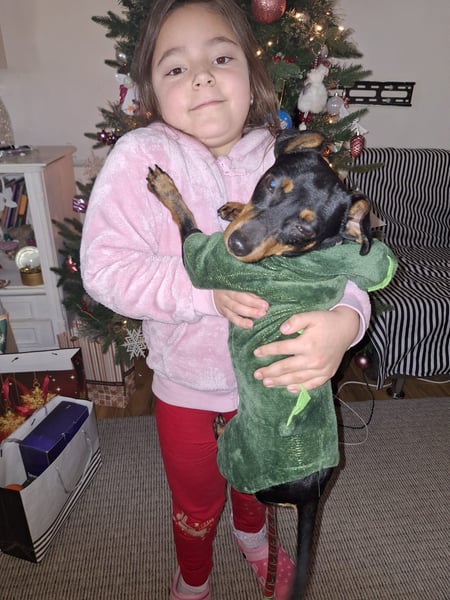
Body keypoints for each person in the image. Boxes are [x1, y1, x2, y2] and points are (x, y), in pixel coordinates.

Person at [80, 1, 371, 598]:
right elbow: (105, 269)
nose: (202, 78)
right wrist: (203, 292)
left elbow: (341, 259)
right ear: (150, 91)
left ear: (253, 75)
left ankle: (254, 540)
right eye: (176, 68)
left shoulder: (285, 159)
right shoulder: (139, 159)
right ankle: (194, 579)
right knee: (195, 503)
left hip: (266, 385)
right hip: (185, 387)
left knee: (254, 485)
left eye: (219, 59)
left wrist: (346, 319)